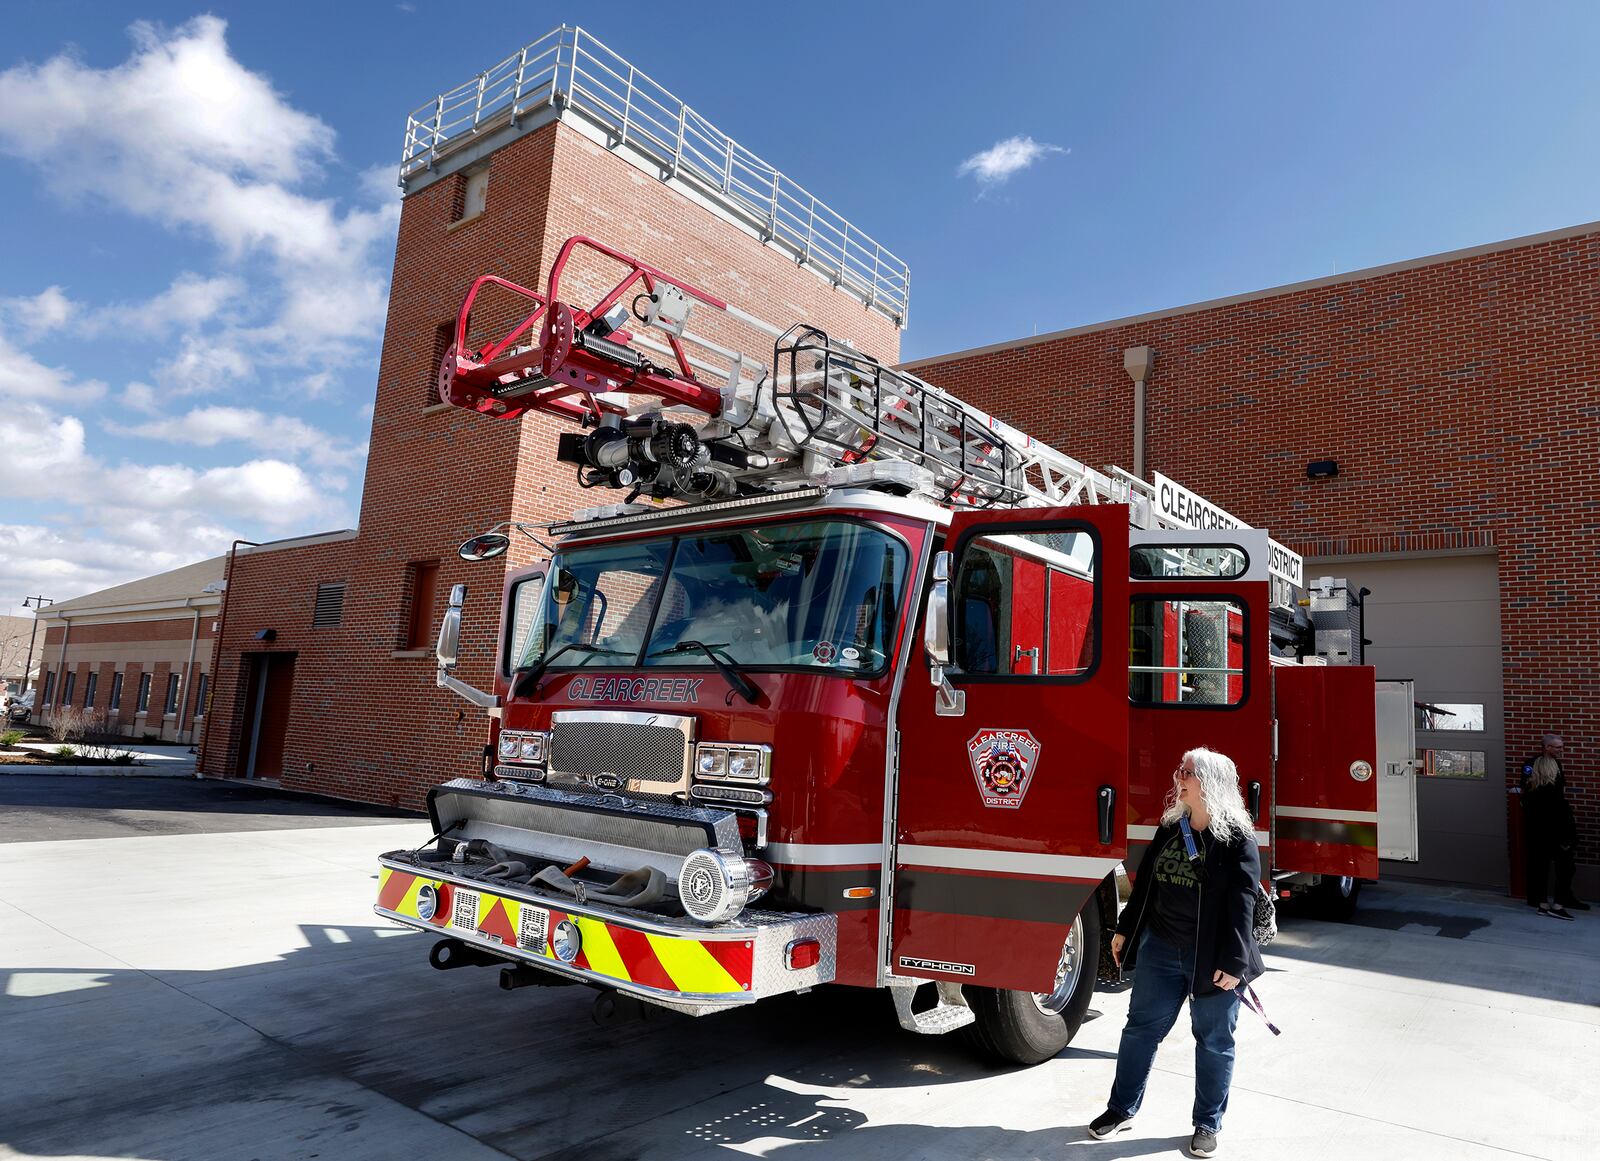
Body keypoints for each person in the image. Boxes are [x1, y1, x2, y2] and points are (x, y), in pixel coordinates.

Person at [1088, 747, 1265, 1159]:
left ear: (1210, 782)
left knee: (1214, 1040)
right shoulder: (1171, 828)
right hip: (1160, 950)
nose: (1178, 776)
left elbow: (1242, 905)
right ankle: (1120, 1109)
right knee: (1139, 1030)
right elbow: (1145, 883)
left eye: (1187, 772)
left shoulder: (1237, 840)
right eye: (1181, 769)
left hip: (1213, 958)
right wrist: (1125, 929)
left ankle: (1207, 1123)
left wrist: (1234, 962)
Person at [1521, 734, 1585, 917]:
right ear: (1547, 747)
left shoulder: (1532, 772)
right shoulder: (1545, 771)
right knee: (1565, 865)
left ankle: (1542, 903)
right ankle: (1558, 905)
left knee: (1540, 865)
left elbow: (1524, 794)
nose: (1560, 750)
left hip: (1537, 826)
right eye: (1557, 747)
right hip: (1556, 826)